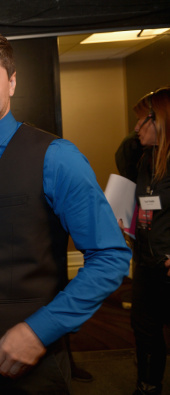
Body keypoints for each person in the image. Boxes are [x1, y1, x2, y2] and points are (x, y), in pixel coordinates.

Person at [0, 25, 132, 393]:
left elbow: (110, 256)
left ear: (11, 82)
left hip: (32, 370)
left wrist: (40, 330)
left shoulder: (57, 158)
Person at [130, 87, 170, 395]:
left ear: (161, 121)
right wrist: (129, 228)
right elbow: (145, 204)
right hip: (145, 259)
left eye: (142, 120)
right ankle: (148, 384)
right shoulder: (147, 160)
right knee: (143, 326)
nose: (135, 128)